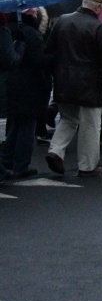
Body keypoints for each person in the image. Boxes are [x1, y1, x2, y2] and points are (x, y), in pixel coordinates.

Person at [43, 0, 102, 177]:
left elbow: (49, 54)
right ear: (98, 7)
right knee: (90, 126)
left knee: (68, 119)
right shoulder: (100, 29)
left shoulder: (62, 21)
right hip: (89, 85)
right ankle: (87, 166)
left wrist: (54, 75)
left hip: (63, 82)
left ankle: (56, 151)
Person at [1, 9, 45, 178]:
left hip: (9, 83)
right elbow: (37, 60)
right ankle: (21, 166)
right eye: (33, 11)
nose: (36, 13)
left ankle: (6, 158)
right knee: (27, 125)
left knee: (17, 123)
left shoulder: (8, 29)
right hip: (28, 85)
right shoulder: (28, 33)